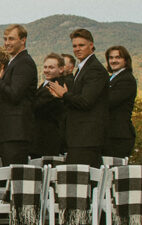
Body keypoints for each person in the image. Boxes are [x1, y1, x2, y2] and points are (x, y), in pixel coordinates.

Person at [47, 29, 109, 166]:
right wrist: (62, 97)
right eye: (74, 46)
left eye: (81, 45)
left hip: (87, 137)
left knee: (80, 181)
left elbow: (86, 101)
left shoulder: (94, 69)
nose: (77, 49)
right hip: (78, 136)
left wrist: (64, 94)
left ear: (91, 45)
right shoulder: (83, 68)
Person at [0, 24, 38, 165]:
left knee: (15, 175)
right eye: (5, 39)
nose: (7, 43)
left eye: (11, 39)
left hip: (16, 132)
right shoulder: (14, 62)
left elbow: (14, 94)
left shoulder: (24, 62)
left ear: (23, 40)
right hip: (8, 131)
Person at [104, 45, 137, 158]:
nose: (113, 61)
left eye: (118, 57)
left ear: (126, 60)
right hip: (107, 134)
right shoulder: (109, 78)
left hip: (118, 135)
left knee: (115, 172)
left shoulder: (127, 79)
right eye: (111, 58)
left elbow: (110, 101)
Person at [31, 53, 66, 158]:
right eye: (45, 67)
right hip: (40, 136)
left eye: (51, 67)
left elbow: (36, 106)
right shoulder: (46, 84)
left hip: (47, 138)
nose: (46, 70)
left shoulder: (56, 86)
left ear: (61, 69)